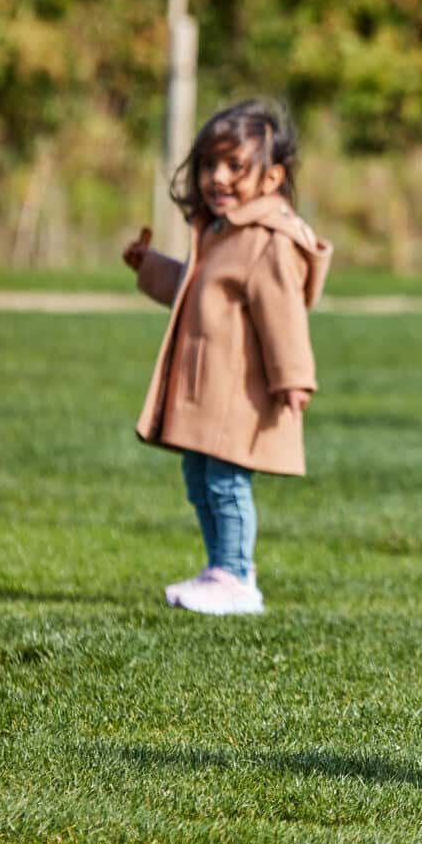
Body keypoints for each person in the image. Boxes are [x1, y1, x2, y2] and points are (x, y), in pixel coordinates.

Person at [122, 99, 332, 616]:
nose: (218, 178)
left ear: (272, 177)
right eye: (210, 164)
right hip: (207, 389)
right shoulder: (221, 232)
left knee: (226, 482)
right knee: (199, 477)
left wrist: (294, 378)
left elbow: (283, 313)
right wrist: (150, 268)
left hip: (240, 393)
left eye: (235, 166)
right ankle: (222, 566)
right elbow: (198, 291)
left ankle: (236, 577)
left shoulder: (267, 241)